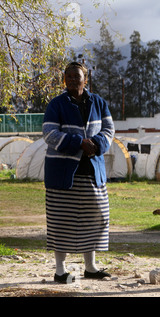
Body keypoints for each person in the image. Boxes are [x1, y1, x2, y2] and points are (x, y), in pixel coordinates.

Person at [42, 62, 115, 284]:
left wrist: (96, 143)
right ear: (64, 79)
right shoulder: (56, 104)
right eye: (69, 76)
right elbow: (49, 133)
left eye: (77, 76)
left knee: (96, 218)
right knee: (60, 221)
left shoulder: (98, 102)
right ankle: (60, 270)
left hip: (92, 171)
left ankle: (91, 267)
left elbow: (109, 129)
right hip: (63, 174)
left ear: (86, 79)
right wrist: (78, 142)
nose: (73, 79)